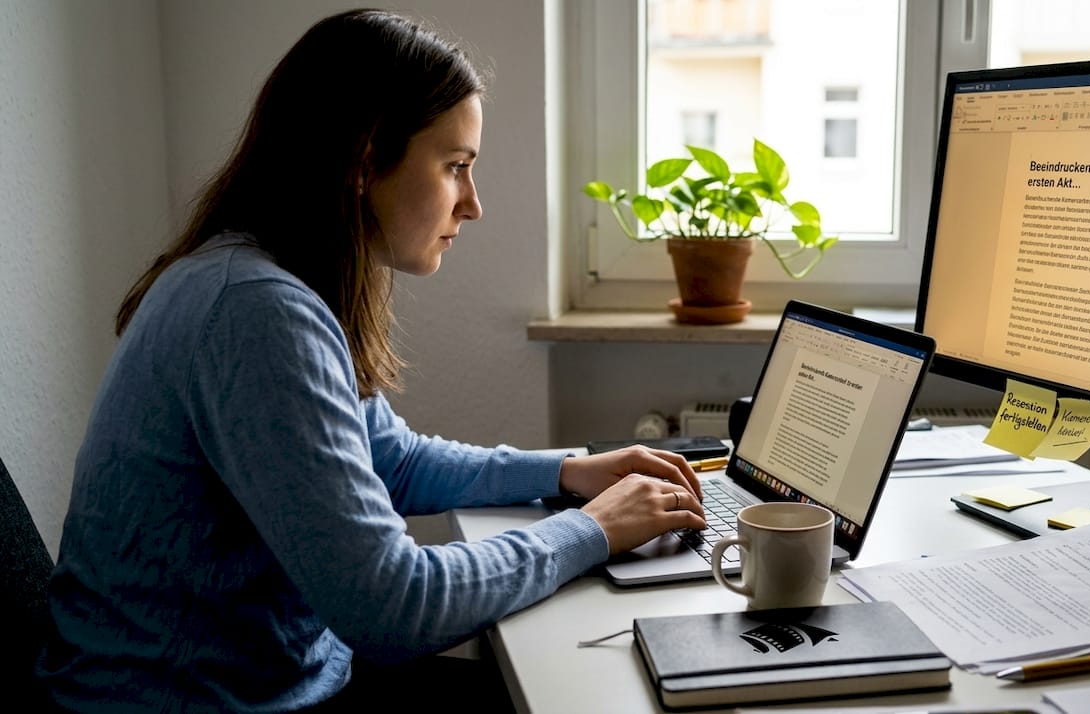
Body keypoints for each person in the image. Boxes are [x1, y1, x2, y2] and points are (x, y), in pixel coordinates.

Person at [37, 9, 706, 712]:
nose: (472, 205)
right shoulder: (255, 313)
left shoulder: (268, 281)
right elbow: (394, 609)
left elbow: (395, 460)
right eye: (455, 168)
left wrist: (565, 472)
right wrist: (594, 528)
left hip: (271, 683)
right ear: (364, 161)